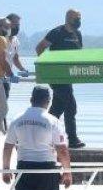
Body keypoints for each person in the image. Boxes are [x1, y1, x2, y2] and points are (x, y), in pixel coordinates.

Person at [3, 86, 72, 190]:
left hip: (23, 169)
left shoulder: (17, 120)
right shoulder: (53, 122)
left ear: (31, 100)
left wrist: (6, 169)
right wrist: (67, 172)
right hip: (47, 170)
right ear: (48, 101)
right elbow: (62, 150)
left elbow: (8, 147)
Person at [35, 8, 85, 148]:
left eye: (80, 18)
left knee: (56, 109)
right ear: (68, 18)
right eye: (76, 18)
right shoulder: (56, 33)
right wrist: (47, 66)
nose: (79, 21)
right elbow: (39, 48)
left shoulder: (77, 34)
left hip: (69, 77)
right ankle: (73, 139)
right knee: (71, 106)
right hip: (56, 77)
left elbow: (79, 54)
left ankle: (42, 136)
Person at [4, 13, 29, 96]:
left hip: (7, 76)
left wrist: (22, 69)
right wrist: (11, 74)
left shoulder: (15, 40)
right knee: (0, 105)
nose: (17, 27)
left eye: (18, 24)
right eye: (15, 24)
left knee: (4, 100)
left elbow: (15, 58)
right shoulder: (1, 39)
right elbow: (0, 59)